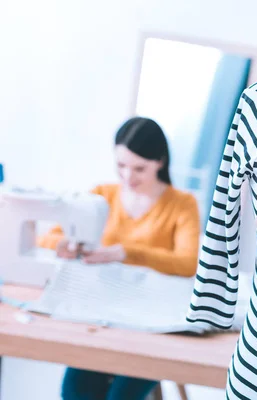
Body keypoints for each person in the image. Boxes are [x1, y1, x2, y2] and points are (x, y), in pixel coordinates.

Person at [38, 117, 201, 400]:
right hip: (105, 316)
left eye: (139, 168)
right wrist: (66, 245)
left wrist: (126, 252)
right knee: (75, 392)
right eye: (121, 166)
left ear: (160, 161)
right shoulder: (102, 194)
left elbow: (187, 263)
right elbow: (46, 237)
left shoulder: (182, 203)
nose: (128, 176)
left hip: (153, 320)